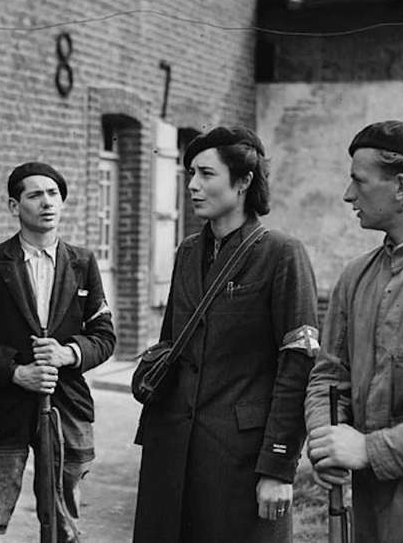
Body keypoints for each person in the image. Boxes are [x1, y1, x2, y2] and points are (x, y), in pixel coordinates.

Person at [133, 126, 318, 543]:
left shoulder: (281, 253)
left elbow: (297, 366)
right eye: (190, 174)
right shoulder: (186, 252)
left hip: (238, 459)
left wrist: (278, 467)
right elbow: (170, 345)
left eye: (206, 174)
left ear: (244, 181)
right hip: (171, 449)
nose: (193, 186)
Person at [305, 120, 403, 543]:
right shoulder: (354, 278)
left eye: (359, 180)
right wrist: (326, 442)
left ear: (400, 187)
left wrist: (368, 450)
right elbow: (328, 377)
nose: (347, 194)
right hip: (369, 516)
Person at [0, 162, 116, 543]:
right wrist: (15, 371)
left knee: (63, 523)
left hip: (66, 408)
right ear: (14, 206)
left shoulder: (82, 262)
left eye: (54, 194)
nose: (47, 203)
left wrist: (70, 353)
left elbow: (104, 335)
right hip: (1, 407)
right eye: (35, 195)